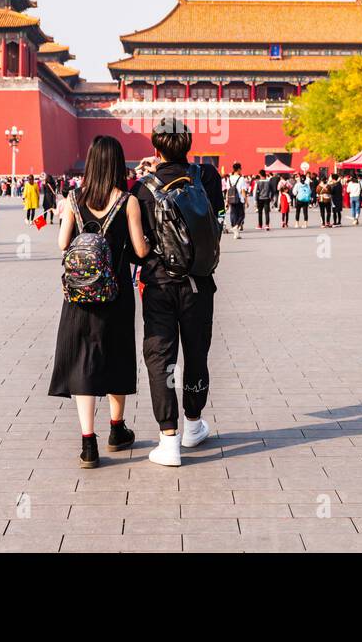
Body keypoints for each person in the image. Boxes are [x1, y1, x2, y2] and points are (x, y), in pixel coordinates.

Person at [49, 135, 150, 469]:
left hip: (79, 295)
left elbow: (62, 243)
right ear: (118, 163)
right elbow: (140, 250)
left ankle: (88, 443)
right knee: (116, 355)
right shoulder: (128, 201)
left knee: (83, 361)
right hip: (115, 292)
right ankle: (117, 429)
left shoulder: (73, 199)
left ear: (91, 162)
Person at [130, 119, 222, 468]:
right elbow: (216, 220)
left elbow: (136, 249)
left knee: (161, 358)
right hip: (199, 283)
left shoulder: (143, 188)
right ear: (188, 145)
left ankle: (168, 439)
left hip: (158, 284)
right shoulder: (207, 177)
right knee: (196, 352)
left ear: (156, 148)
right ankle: (193, 425)